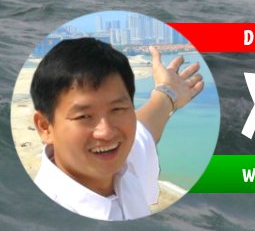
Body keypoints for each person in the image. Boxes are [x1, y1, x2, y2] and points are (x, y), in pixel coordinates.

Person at [30, 37, 204, 220]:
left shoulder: (124, 163)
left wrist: (168, 93)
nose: (106, 132)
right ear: (45, 127)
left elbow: (145, 128)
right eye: (84, 116)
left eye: (117, 109)